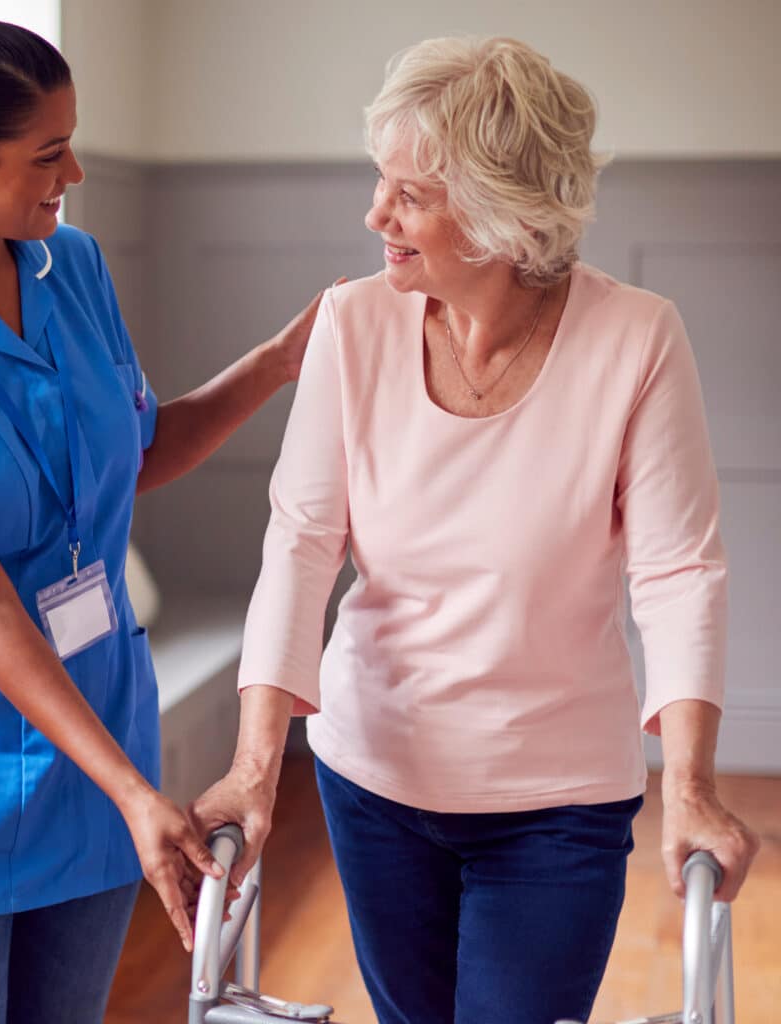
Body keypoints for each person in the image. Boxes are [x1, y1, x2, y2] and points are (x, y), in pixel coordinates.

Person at [191, 36, 760, 1024]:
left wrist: (694, 785)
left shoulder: (635, 338)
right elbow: (301, 542)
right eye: (381, 181)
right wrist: (252, 768)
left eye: (409, 195)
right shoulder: (350, 324)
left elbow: (676, 571)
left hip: (557, 798)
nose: (376, 215)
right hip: (373, 772)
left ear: (507, 216)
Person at [0, 18, 323, 1023]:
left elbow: (141, 452)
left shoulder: (69, 266)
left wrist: (281, 360)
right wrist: (136, 792)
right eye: (48, 154)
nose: (73, 171)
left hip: (95, 763)